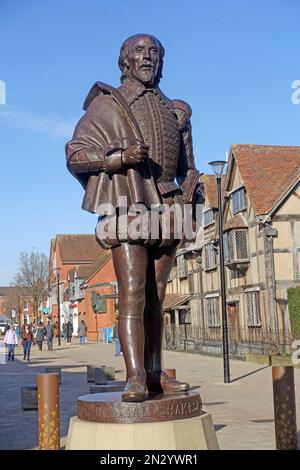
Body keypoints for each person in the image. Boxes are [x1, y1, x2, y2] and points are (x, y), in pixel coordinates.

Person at [66, 34, 203, 402]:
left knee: (158, 297)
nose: (148, 57)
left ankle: (156, 371)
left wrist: (193, 184)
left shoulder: (174, 111)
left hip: (168, 206)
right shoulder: (108, 105)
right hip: (127, 204)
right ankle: (135, 377)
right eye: (140, 51)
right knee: (133, 294)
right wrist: (119, 157)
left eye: (154, 52)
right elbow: (75, 155)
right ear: (124, 60)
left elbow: (187, 167)